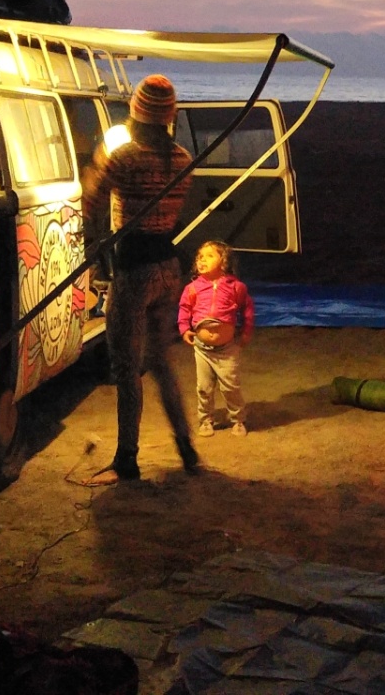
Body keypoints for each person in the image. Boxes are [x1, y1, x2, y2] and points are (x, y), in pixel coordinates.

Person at [79, 75, 199, 484]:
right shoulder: (182, 158)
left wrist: (100, 160)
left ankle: (126, 458)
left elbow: (90, 197)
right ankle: (186, 446)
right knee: (160, 362)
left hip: (134, 271)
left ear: (136, 112)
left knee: (126, 367)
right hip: (168, 267)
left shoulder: (124, 157)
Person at [180, 240, 256, 437]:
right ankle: (205, 420)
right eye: (199, 256)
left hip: (227, 349)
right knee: (203, 387)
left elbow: (246, 308)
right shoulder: (193, 288)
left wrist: (246, 331)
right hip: (202, 348)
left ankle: (238, 420)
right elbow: (184, 309)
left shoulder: (235, 287)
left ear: (223, 261)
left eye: (209, 255)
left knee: (230, 386)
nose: (202, 259)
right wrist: (184, 329)